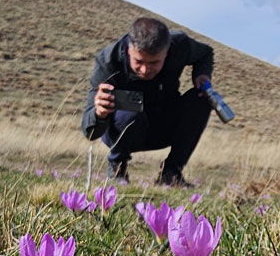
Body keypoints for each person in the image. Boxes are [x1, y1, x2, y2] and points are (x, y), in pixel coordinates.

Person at [81, 17, 215, 186]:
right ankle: (117, 169)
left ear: (167, 52)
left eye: (154, 62)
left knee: (201, 99)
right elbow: (90, 132)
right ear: (130, 50)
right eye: (138, 62)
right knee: (131, 105)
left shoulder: (180, 44)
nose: (145, 70)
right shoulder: (107, 62)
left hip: (163, 125)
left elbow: (205, 53)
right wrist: (99, 114)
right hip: (122, 129)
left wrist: (201, 74)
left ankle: (171, 174)